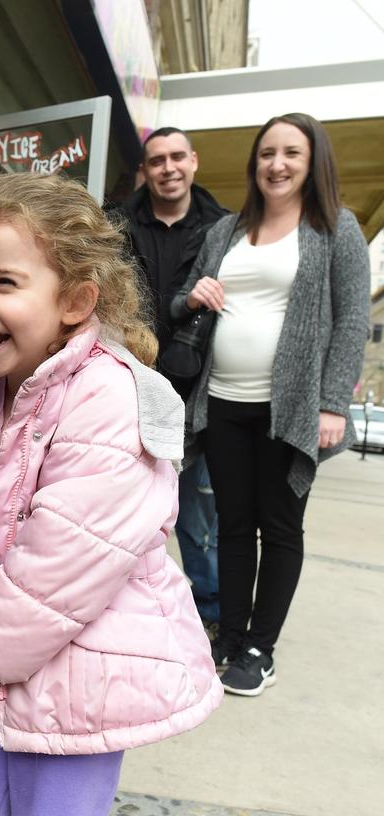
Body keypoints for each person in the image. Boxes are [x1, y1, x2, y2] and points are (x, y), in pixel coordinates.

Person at [0, 172, 222, 816]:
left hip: (70, 678)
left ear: (75, 300)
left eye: (4, 282)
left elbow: (67, 557)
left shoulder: (108, 399)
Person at [171, 112, 370, 696]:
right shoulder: (227, 232)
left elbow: (353, 320)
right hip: (224, 401)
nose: (276, 164)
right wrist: (192, 298)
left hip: (291, 408)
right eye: (267, 153)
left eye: (291, 154)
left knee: (280, 527)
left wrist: (333, 404)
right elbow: (186, 300)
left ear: (312, 164)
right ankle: (229, 637)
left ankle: (261, 647)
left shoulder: (337, 229)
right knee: (232, 526)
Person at [115, 126, 230, 634]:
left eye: (177, 157)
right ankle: (135, 608)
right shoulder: (116, 223)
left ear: (194, 161)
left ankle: (208, 611)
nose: (168, 168)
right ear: (146, 169)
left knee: (197, 520)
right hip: (131, 387)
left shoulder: (225, 229)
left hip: (197, 392)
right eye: (157, 160)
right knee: (127, 507)